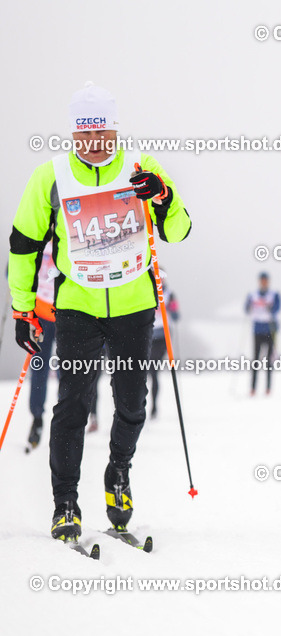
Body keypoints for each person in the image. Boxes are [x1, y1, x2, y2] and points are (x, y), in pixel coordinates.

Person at [9, 82, 192, 541]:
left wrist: (163, 196)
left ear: (114, 131)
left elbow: (180, 229)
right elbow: (23, 244)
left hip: (133, 306)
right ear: (74, 134)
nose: (95, 145)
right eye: (85, 135)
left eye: (103, 134)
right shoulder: (49, 177)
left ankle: (118, 477)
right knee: (73, 404)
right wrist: (22, 309)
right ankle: (65, 503)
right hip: (77, 308)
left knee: (132, 405)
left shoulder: (140, 168)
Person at [27, 242, 58, 449]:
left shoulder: (68, 234)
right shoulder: (38, 238)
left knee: (70, 370)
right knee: (39, 366)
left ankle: (67, 421)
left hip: (67, 313)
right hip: (41, 315)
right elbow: (16, 269)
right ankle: (37, 418)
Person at [244, 272, 280, 396]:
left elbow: (277, 308)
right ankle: (253, 388)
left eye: (265, 280)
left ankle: (268, 388)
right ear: (259, 281)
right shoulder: (252, 295)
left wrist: (272, 309)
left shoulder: (274, 294)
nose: (264, 282)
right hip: (257, 330)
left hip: (270, 330)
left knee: (269, 360)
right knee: (256, 360)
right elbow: (246, 308)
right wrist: (249, 307)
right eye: (262, 280)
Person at [148, 275, 179, 417]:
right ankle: (143, 404)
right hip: (146, 335)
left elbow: (177, 316)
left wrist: (172, 308)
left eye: (161, 278)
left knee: (153, 371)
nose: (159, 281)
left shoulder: (169, 294)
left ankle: (154, 406)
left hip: (162, 336)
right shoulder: (146, 291)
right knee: (145, 372)